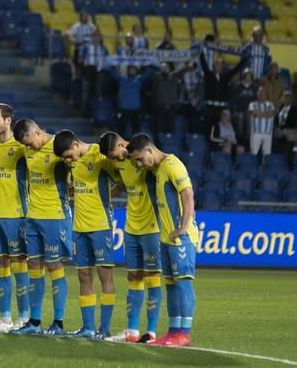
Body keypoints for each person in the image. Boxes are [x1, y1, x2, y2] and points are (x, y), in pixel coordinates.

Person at [127, 133, 197, 347]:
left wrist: (184, 227)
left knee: (183, 284)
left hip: (181, 238)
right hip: (167, 238)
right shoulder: (157, 170)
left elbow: (188, 194)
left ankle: (184, 333)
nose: (140, 164)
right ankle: (173, 332)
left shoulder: (173, 164)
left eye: (140, 159)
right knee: (171, 286)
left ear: (150, 150)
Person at [53, 130, 119, 339]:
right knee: (83, 275)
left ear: (75, 144)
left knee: (104, 275)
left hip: (100, 224)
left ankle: (105, 328)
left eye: (68, 155)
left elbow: (121, 180)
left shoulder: (100, 156)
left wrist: (107, 197)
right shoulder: (71, 163)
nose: (68, 160)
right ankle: (88, 327)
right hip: (79, 227)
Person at [98, 132, 162, 344]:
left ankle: (151, 332)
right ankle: (132, 330)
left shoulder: (145, 160)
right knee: (134, 278)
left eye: (116, 155)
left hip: (152, 228)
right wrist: (106, 196)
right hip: (131, 229)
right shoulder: (121, 165)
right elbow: (125, 185)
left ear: (122, 144)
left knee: (153, 279)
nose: (116, 160)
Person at [9, 119, 71, 336]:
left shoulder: (58, 147)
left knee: (54, 267)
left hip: (54, 217)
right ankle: (35, 322)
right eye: (24, 144)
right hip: (32, 217)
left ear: (37, 132)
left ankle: (59, 322)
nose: (28, 147)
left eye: (29, 142)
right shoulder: (26, 149)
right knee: (34, 267)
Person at [0, 104, 31, 334]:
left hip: (16, 215)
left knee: (20, 265)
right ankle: (5, 318)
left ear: (8, 121)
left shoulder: (22, 148)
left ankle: (24, 317)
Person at [201, 53, 247, 133]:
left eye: (220, 65)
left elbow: (236, 69)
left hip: (221, 109)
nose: (218, 66)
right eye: (216, 64)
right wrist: (201, 54)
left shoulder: (225, 77)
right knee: (209, 128)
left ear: (222, 67)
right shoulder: (209, 75)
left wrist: (244, 59)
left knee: (220, 129)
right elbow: (204, 65)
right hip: (210, 108)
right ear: (213, 66)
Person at [107, 65, 154, 137]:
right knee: (121, 130)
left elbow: (148, 74)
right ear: (128, 71)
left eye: (133, 70)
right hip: (124, 108)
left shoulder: (139, 80)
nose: (132, 71)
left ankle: (135, 145)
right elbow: (113, 74)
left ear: (136, 71)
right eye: (130, 69)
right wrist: (110, 65)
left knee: (136, 131)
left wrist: (151, 64)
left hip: (136, 109)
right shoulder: (122, 80)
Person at [78, 28, 108, 115]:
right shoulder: (86, 47)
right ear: (91, 37)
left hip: (99, 72)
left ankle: (97, 113)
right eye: (94, 36)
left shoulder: (103, 48)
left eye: (98, 36)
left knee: (98, 93)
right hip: (88, 71)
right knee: (85, 94)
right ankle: (83, 113)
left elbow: (107, 60)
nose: (96, 38)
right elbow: (80, 60)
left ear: (100, 37)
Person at [151, 62, 182, 137]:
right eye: (163, 67)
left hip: (172, 107)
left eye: (166, 67)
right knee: (159, 130)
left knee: (170, 130)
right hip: (159, 107)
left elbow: (181, 69)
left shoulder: (175, 78)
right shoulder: (156, 77)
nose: (165, 68)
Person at [232, 69, 258, 148]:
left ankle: (247, 147)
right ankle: (239, 145)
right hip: (240, 111)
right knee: (239, 131)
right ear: (243, 76)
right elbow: (235, 100)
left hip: (250, 112)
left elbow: (256, 100)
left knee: (249, 131)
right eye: (247, 75)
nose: (248, 77)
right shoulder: (238, 86)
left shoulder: (255, 87)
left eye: (250, 75)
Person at [248, 86, 275, 156]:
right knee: (254, 153)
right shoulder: (252, 104)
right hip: (256, 133)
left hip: (268, 133)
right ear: (257, 94)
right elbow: (253, 112)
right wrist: (265, 114)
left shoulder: (271, 104)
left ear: (266, 94)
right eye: (260, 92)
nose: (261, 94)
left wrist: (259, 114)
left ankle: (265, 166)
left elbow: (271, 114)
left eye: (263, 93)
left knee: (267, 154)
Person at [276, 91, 297, 170]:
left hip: (291, 131)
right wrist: (278, 127)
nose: (287, 100)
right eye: (285, 98)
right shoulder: (281, 108)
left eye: (289, 98)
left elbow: (292, 121)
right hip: (281, 131)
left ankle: (290, 167)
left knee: (289, 151)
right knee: (280, 149)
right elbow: (276, 118)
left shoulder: (294, 109)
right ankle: (281, 167)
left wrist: (284, 128)